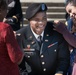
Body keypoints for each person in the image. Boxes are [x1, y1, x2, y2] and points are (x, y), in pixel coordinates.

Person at [16, 3, 70, 75]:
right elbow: (19, 65)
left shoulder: (56, 31)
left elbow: (64, 59)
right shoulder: (21, 36)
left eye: (44, 18)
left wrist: (59, 73)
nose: (41, 23)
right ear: (29, 20)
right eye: (37, 20)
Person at [0, 0, 24, 75]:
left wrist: (9, 20)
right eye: (6, 9)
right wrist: (18, 41)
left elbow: (18, 15)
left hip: (13, 25)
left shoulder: (16, 1)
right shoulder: (5, 28)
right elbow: (16, 58)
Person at [53, 0, 76, 75]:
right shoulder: (72, 23)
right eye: (68, 13)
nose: (71, 15)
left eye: (70, 10)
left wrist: (64, 31)